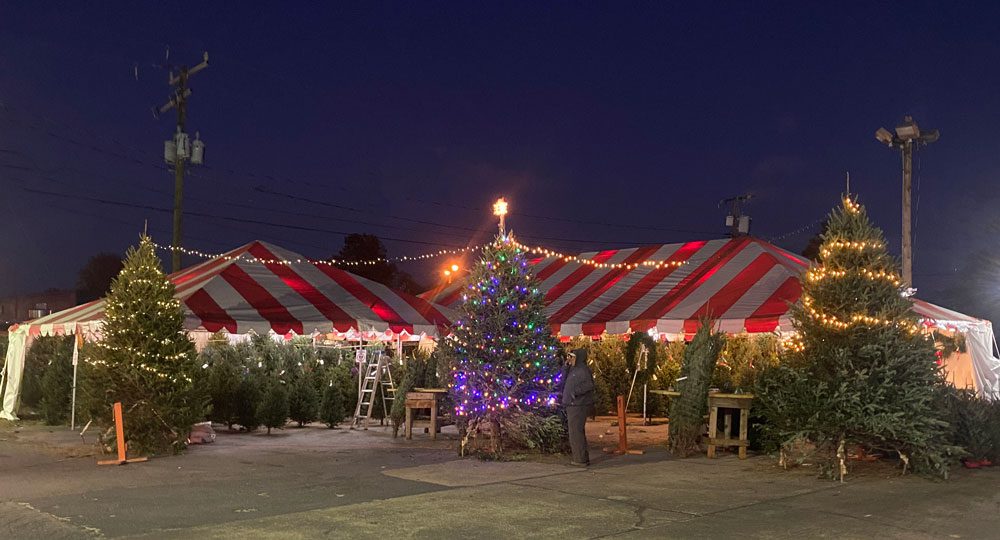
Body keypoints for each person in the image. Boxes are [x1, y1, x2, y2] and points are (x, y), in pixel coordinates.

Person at [561, 348, 595, 466]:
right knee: (575, 431)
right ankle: (580, 457)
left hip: (578, 405)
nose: (571, 359)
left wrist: (575, 392)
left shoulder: (583, 370)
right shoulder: (573, 369)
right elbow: (563, 378)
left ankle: (580, 459)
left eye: (572, 357)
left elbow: (589, 385)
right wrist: (566, 365)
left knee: (576, 432)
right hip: (572, 404)